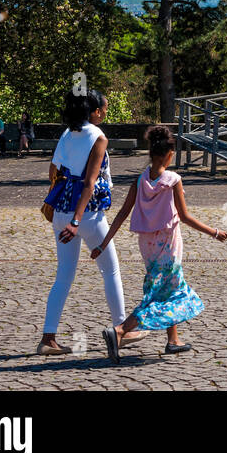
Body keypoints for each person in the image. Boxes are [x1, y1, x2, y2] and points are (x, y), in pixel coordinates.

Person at [96, 125, 227, 363]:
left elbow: (122, 214)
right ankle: (119, 331)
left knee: (168, 288)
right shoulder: (173, 180)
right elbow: (185, 217)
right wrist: (214, 231)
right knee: (162, 292)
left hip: (146, 244)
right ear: (169, 154)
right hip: (167, 244)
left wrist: (104, 243)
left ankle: (173, 340)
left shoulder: (140, 180)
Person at [38, 89, 132, 356]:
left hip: (61, 214)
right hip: (87, 216)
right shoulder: (98, 137)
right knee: (111, 270)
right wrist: (77, 221)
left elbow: (52, 172)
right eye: (103, 108)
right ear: (93, 111)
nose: (105, 112)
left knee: (63, 276)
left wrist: (68, 213)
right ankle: (121, 329)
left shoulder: (68, 133)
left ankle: (48, 338)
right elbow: (90, 183)